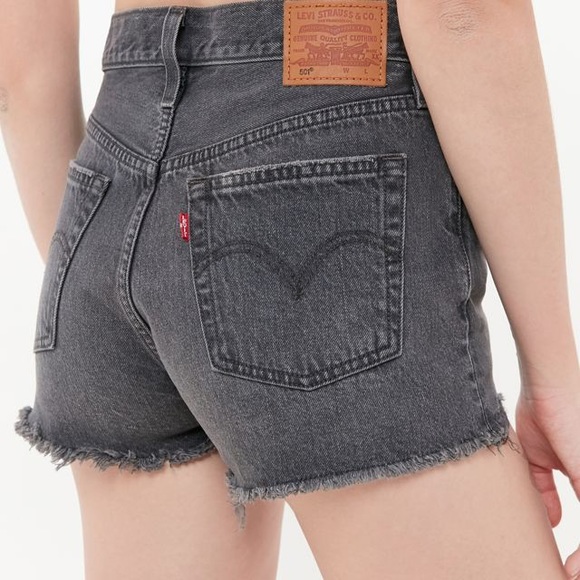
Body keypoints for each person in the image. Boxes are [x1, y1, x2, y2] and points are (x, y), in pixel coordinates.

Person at [1, 0, 579, 577]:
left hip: (104, 189)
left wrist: (122, 275)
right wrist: (555, 378)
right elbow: (463, 14)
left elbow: (18, 71)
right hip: (320, 149)